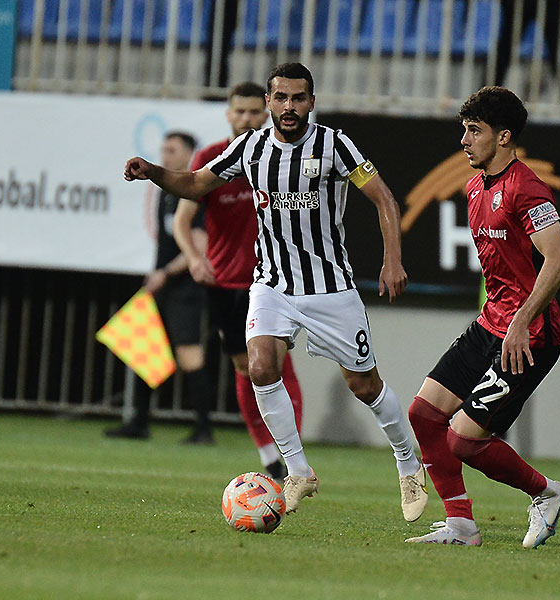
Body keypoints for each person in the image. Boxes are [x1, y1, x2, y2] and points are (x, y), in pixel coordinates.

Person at [123, 62, 428, 522]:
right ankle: (298, 470)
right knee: (261, 366)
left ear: (311, 102)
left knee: (364, 385)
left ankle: (408, 462)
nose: (289, 107)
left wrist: (393, 259)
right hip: (272, 284)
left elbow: (383, 197)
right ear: (269, 101)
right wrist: (153, 171)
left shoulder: (334, 145)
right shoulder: (250, 148)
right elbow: (195, 183)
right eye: (281, 98)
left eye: (298, 98)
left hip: (329, 287)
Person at [405, 86, 560, 548]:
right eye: (464, 129)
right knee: (424, 415)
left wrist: (520, 321)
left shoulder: (527, 187)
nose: (464, 140)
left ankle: (546, 493)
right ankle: (460, 525)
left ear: (503, 137)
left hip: (530, 335)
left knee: (463, 440)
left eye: (474, 130)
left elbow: (559, 260)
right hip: (490, 324)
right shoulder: (475, 187)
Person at [173, 82, 304, 482]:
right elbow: (181, 222)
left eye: (254, 112)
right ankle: (268, 455)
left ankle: (292, 458)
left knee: (278, 364)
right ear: (229, 115)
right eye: (240, 112)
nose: (247, 118)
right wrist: (194, 259)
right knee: (246, 368)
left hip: (275, 280)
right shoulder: (210, 159)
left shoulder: (279, 155)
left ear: (266, 113)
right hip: (226, 284)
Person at [107, 131, 215, 444]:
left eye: (172, 150)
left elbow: (200, 244)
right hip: (163, 283)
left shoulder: (195, 190)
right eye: (163, 150)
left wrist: (165, 273)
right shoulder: (165, 191)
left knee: (189, 354)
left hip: (186, 286)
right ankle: (139, 422)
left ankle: (203, 428)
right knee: (145, 347)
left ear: (190, 154)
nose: (165, 156)